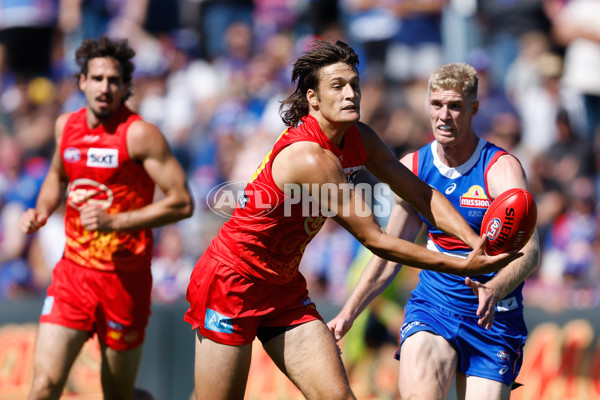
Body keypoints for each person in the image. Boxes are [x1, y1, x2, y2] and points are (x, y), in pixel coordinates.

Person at [184, 40, 520, 400]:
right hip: (232, 281)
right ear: (313, 99)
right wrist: (461, 263)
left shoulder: (360, 138)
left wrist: (475, 243)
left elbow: (422, 195)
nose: (351, 94)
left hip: (283, 286)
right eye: (337, 86)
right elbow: (376, 240)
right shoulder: (311, 159)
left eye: (355, 85)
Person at [328, 62, 540, 399]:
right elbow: (389, 253)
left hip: (494, 319)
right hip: (435, 306)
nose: (444, 115)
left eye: (455, 106)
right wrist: (348, 314)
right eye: (437, 105)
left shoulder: (500, 168)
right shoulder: (415, 167)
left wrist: (496, 287)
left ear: (473, 109)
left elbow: (530, 251)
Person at [19, 36, 194, 400]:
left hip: (125, 281)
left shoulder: (140, 135)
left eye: (114, 80)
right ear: (81, 81)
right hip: (73, 275)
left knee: (117, 394)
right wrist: (42, 210)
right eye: (97, 78)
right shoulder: (66, 126)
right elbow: (56, 174)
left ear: (126, 86)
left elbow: (182, 203)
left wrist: (116, 221)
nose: (105, 87)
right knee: (43, 387)